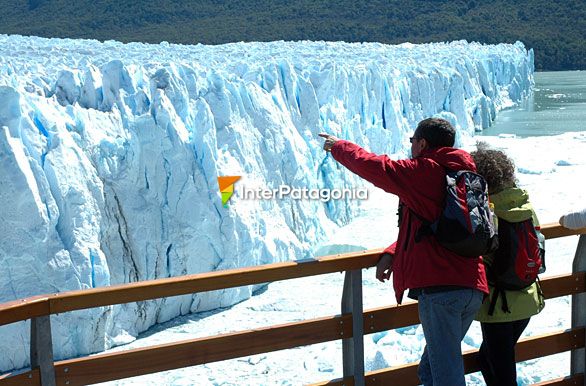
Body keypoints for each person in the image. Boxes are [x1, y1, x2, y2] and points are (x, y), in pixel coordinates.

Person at [319, 118, 488, 386]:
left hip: (441, 291)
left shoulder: (425, 170)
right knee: (431, 371)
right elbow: (437, 227)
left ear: (422, 143)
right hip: (472, 287)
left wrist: (339, 147)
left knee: (446, 377)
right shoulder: (464, 174)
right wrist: (393, 251)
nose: (410, 146)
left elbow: (377, 167)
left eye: (412, 141)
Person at [471, 144, 545, 386]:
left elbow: (475, 248)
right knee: (487, 359)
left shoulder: (483, 209)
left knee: (502, 373)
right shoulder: (524, 204)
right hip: (527, 297)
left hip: (497, 304)